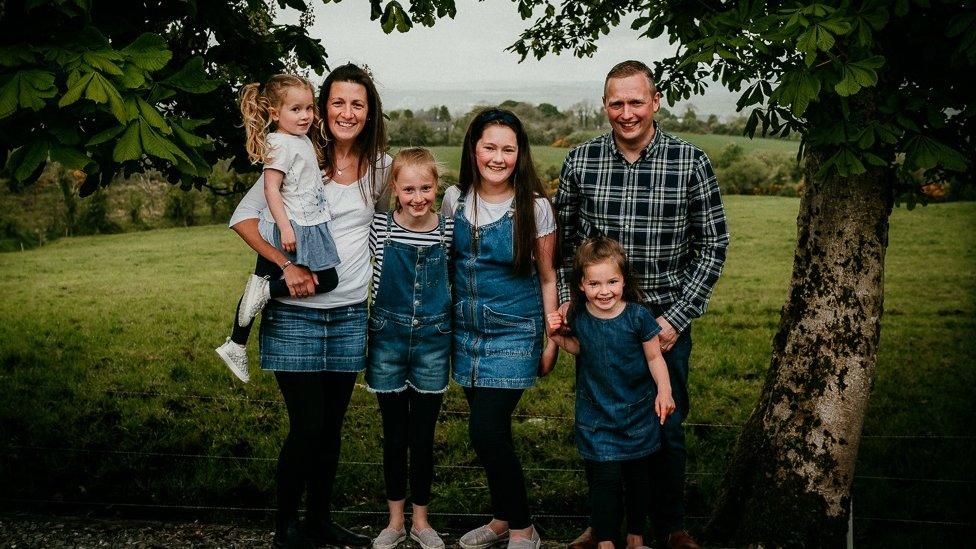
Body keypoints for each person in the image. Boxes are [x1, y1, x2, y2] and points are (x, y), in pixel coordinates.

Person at [555, 60, 729, 549]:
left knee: (665, 424)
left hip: (663, 321)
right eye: (617, 103)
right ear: (604, 105)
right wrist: (574, 307)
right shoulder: (581, 161)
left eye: (636, 101)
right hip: (600, 322)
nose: (626, 112)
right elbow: (566, 242)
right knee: (599, 424)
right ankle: (604, 525)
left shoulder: (689, 161)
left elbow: (713, 244)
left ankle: (669, 525)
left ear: (654, 102)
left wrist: (674, 318)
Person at [226, 63, 391, 549]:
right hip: (295, 315)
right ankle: (285, 530)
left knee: (332, 429)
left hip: (348, 316)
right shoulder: (299, 157)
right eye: (337, 102)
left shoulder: (380, 168)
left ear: (369, 111)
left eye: (357, 103)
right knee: (307, 426)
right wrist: (285, 265)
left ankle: (319, 522)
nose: (347, 112)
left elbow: (391, 223)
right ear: (322, 109)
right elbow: (243, 220)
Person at [441, 108, 558, 549]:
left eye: (508, 149)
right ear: (473, 149)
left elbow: (548, 277)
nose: (498, 157)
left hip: (514, 331)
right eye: (489, 147)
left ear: (520, 154)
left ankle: (525, 529)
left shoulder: (535, 207)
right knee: (493, 434)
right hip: (465, 333)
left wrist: (551, 338)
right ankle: (501, 519)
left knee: (485, 430)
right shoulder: (455, 200)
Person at [543, 236, 675, 549]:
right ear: (580, 285)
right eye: (595, 284)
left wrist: (665, 391)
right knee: (605, 481)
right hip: (597, 414)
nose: (605, 291)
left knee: (638, 480)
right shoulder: (578, 316)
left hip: (638, 411)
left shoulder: (638, 317)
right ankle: (605, 540)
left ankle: (635, 536)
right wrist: (558, 338)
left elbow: (655, 357)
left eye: (612, 282)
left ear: (624, 280)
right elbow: (580, 349)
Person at [216, 74, 340, 383]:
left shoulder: (297, 141)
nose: (305, 116)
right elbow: (271, 189)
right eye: (296, 109)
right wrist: (285, 229)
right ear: (274, 113)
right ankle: (266, 294)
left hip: (304, 221)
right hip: (294, 227)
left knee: (257, 283)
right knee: (327, 279)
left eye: (309, 108)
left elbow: (295, 181)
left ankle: (236, 343)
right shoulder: (281, 143)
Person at [366, 148, 453, 549]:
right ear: (395, 191)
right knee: (395, 433)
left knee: (423, 436)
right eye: (408, 189)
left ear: (437, 186)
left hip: (433, 342)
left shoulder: (447, 230)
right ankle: (395, 521)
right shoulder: (380, 227)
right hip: (388, 339)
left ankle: (421, 521)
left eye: (426, 188)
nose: (418, 197)